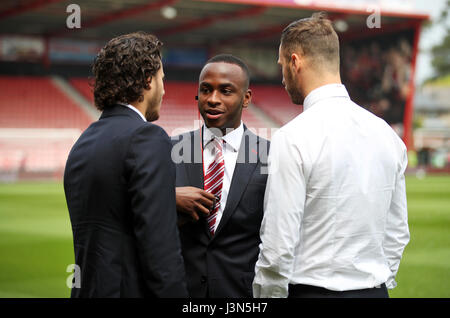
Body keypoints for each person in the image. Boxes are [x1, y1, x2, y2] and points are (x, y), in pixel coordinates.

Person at [253, 12, 410, 298]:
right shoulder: (387, 135)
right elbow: (398, 232)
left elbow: (278, 245)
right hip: (374, 291)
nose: (282, 79)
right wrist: (373, 280)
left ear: (295, 62)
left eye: (282, 66)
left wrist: (268, 297)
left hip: (313, 291)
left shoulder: (292, 137)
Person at [64, 32, 188, 298]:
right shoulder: (147, 137)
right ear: (147, 81)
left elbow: (113, 207)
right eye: (162, 80)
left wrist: (168, 196)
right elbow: (160, 251)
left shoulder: (82, 143)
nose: (164, 90)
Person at [171, 54, 270, 297]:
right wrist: (167, 197)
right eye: (206, 90)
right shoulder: (167, 149)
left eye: (226, 91)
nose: (213, 99)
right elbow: (132, 210)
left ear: (246, 98)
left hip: (242, 295)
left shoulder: (271, 155)